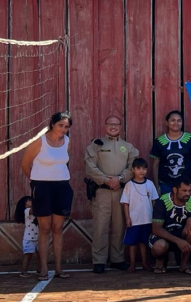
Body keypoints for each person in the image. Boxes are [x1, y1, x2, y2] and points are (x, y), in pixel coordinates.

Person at [20, 111, 74, 281]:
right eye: (61, 125)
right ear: (52, 124)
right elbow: (25, 164)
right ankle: (43, 268)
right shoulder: (39, 141)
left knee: (57, 229)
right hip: (42, 187)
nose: (63, 129)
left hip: (62, 186)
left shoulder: (67, 142)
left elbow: (64, 162)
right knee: (44, 229)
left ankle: (58, 268)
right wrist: (37, 182)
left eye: (66, 126)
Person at [84, 115, 139, 274]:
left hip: (121, 192)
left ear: (120, 127)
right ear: (105, 125)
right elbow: (90, 167)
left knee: (119, 226)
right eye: (110, 124)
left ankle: (117, 258)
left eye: (116, 124)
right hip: (102, 191)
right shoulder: (96, 145)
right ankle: (99, 260)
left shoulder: (128, 147)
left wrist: (120, 179)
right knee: (100, 226)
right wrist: (107, 180)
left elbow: (132, 167)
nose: (113, 127)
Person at [149, 178, 191, 274]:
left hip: (182, 235)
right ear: (175, 190)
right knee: (160, 246)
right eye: (184, 190)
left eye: (189, 191)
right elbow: (156, 229)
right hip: (163, 237)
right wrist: (178, 241)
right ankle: (160, 261)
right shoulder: (161, 202)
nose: (188, 194)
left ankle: (184, 263)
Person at [150, 110, 191, 196]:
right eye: (173, 120)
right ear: (167, 122)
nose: (176, 123)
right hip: (165, 185)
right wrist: (156, 186)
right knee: (166, 208)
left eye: (179, 120)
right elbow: (155, 165)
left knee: (186, 209)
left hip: (186, 185)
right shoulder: (159, 141)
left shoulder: (190, 139)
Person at [120, 158, 158, 273]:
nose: (142, 171)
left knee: (144, 242)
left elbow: (154, 201)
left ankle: (145, 263)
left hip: (147, 219)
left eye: (144, 168)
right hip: (134, 220)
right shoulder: (129, 185)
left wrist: (154, 218)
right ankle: (132, 264)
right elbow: (125, 203)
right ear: (133, 170)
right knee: (133, 243)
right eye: (138, 168)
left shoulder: (150, 184)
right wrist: (127, 218)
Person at [14, 196, 37, 278]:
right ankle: (24, 271)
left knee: (40, 254)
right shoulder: (27, 211)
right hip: (29, 238)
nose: (31, 201)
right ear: (25, 204)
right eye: (29, 200)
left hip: (37, 236)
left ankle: (40, 269)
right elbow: (34, 210)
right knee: (28, 255)